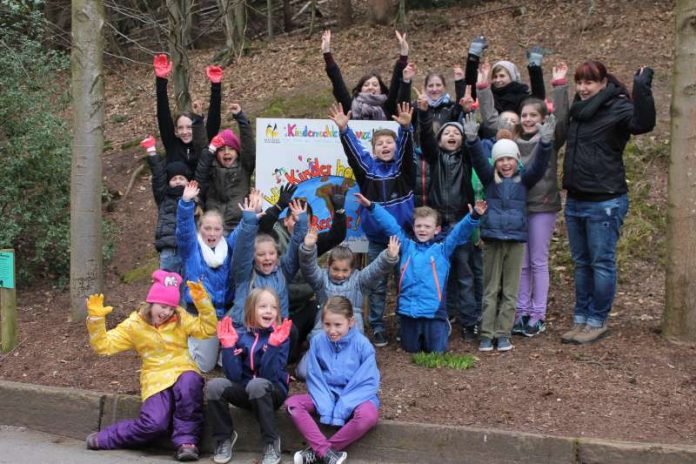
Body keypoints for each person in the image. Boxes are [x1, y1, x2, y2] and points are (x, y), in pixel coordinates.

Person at [561, 62, 655, 344]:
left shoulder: (618, 107)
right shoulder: (578, 110)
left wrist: (642, 87)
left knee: (601, 263)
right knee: (581, 263)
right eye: (578, 83)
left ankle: (597, 320)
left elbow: (644, 123)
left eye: (589, 83)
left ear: (603, 83)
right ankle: (581, 318)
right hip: (576, 199)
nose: (582, 88)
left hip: (605, 200)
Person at [477, 62, 571, 337]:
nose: (528, 119)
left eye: (534, 115)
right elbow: (491, 119)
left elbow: (563, 119)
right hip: (514, 208)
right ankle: (519, 311)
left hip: (541, 206)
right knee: (522, 263)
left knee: (538, 261)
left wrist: (560, 86)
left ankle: (537, 314)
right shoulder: (512, 142)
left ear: (543, 119)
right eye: (524, 115)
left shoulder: (548, 139)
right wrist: (483, 87)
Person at [84, 272, 216, 462]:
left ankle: (187, 442)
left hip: (182, 369)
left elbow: (207, 329)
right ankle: (106, 437)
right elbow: (103, 346)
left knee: (189, 384)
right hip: (155, 378)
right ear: (151, 303)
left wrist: (203, 303)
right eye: (163, 306)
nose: (167, 312)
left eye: (171, 308)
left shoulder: (180, 317)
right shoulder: (134, 325)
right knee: (154, 425)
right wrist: (96, 320)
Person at [462, 112, 555, 352]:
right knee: (491, 288)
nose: (505, 164)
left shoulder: (524, 180)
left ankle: (503, 333)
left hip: (516, 241)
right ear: (495, 162)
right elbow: (478, 160)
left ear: (516, 160)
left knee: (510, 290)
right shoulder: (489, 179)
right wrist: (472, 140)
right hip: (493, 239)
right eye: (500, 160)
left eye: (509, 159)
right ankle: (487, 333)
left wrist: (545, 142)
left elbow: (540, 164)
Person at [329, 101, 415, 347]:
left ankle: (403, 324)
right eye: (380, 144)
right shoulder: (368, 170)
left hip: (403, 239)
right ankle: (377, 326)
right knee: (377, 285)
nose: (385, 146)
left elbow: (408, 155)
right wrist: (345, 131)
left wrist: (406, 131)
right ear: (374, 149)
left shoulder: (402, 170)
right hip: (377, 240)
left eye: (390, 142)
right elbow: (354, 153)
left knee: (403, 283)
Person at [355, 193, 485, 353]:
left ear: (436, 230)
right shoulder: (406, 246)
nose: (422, 229)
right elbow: (390, 225)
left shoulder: (442, 249)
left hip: (434, 312)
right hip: (408, 311)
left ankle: (444, 327)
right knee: (410, 349)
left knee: (437, 350)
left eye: (427, 226)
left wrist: (474, 216)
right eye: (418, 226)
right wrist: (371, 206)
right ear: (413, 227)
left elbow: (458, 232)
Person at [417, 96, 482, 341]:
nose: (452, 135)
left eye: (457, 132)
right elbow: (425, 138)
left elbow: (474, 139)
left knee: (464, 274)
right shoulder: (435, 158)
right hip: (439, 226)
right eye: (447, 133)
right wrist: (424, 115)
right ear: (440, 140)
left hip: (460, 223)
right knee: (439, 274)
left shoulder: (466, 158)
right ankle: (441, 316)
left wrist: (468, 114)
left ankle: (469, 321)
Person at [286, 296, 379, 464]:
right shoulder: (317, 341)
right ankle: (325, 452)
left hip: (355, 396)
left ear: (350, 322)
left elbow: (366, 381)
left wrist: (342, 407)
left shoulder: (363, 345)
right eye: (327, 324)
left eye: (338, 325)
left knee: (369, 416)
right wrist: (327, 405)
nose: (332, 330)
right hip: (326, 394)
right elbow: (315, 377)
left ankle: (320, 452)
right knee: (293, 404)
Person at [294, 231, 400, 378]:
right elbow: (309, 268)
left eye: (345, 270)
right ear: (328, 266)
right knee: (303, 372)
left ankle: (338, 370)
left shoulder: (359, 281)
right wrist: (308, 248)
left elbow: (374, 271)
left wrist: (388, 257)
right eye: (336, 269)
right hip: (324, 333)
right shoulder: (321, 280)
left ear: (352, 270)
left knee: (356, 371)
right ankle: (326, 368)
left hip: (350, 336)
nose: (340, 274)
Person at [206, 289, 293, 464]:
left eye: (273, 307)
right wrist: (229, 347)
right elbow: (234, 376)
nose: (269, 311)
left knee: (258, 385)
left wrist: (273, 346)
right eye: (263, 306)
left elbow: (269, 376)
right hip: (247, 389)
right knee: (214, 386)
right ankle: (224, 437)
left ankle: (271, 441)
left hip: (272, 391)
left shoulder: (280, 336)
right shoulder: (241, 335)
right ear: (250, 310)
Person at [175, 181, 251, 372]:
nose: (212, 233)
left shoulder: (228, 246)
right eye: (207, 228)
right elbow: (184, 231)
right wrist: (185, 203)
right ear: (200, 229)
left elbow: (243, 235)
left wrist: (250, 216)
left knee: (230, 364)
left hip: (225, 313)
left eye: (216, 229)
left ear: (222, 231)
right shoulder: (192, 248)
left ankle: (218, 350)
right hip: (200, 313)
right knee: (203, 366)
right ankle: (182, 345)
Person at [228, 199, 308, 329]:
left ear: (277, 254)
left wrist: (302, 222)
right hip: (246, 331)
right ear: (253, 257)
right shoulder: (244, 275)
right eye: (261, 254)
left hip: (274, 330)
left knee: (292, 332)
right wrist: (249, 222)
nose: (267, 258)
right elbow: (243, 251)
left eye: (271, 253)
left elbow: (295, 248)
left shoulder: (283, 271)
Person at [153, 54, 222, 172]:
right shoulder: (172, 145)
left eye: (189, 127)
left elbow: (214, 121)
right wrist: (161, 80)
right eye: (180, 128)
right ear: (175, 131)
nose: (185, 132)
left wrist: (216, 86)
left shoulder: (204, 144)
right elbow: (163, 116)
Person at [194, 103, 255, 233]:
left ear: (238, 152)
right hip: (214, 227)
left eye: (231, 149)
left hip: (238, 225)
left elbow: (248, 146)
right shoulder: (211, 168)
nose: (226, 152)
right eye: (221, 150)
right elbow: (201, 148)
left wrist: (241, 118)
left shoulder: (245, 167)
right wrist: (198, 120)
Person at [321, 29, 408, 120]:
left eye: (375, 85)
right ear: (360, 89)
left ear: (381, 89)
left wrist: (404, 53)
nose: (370, 87)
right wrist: (326, 52)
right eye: (366, 85)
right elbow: (337, 82)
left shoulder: (388, 106)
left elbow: (396, 83)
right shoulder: (350, 107)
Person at [141, 135, 192, 275]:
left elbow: (202, 172)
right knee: (167, 288)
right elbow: (158, 176)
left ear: (188, 182)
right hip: (169, 249)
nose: (177, 181)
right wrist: (151, 151)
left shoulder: (194, 198)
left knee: (189, 288)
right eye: (174, 179)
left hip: (190, 249)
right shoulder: (164, 196)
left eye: (181, 178)